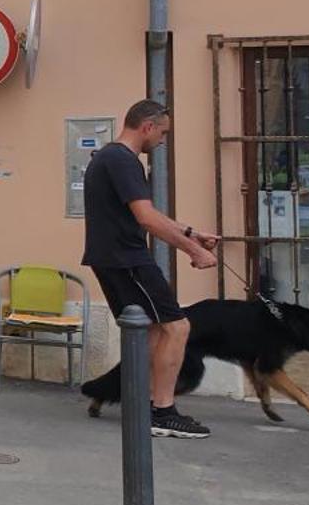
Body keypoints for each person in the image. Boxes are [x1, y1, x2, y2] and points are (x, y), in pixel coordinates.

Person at [82, 100, 220, 439]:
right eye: (163, 132)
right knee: (177, 326)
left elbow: (145, 214)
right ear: (147, 127)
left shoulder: (112, 158)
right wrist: (194, 251)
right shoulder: (122, 160)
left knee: (154, 331)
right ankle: (163, 411)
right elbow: (146, 218)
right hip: (127, 260)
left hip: (116, 257)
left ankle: (142, 403)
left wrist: (191, 233)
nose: (162, 140)